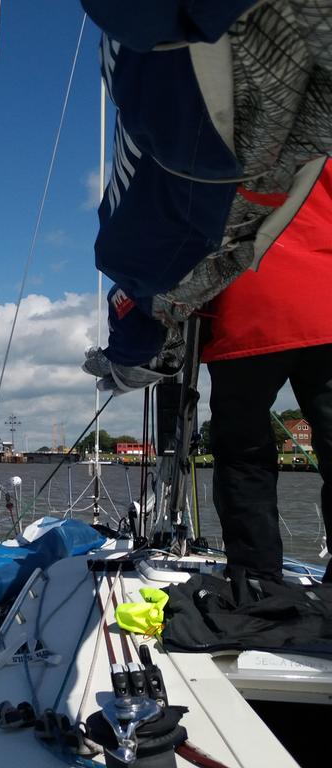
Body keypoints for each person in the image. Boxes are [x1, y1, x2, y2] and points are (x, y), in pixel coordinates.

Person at [202, 160, 332, 584]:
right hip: (326, 299)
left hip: (247, 304)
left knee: (243, 455)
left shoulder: (218, 138)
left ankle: (256, 578)